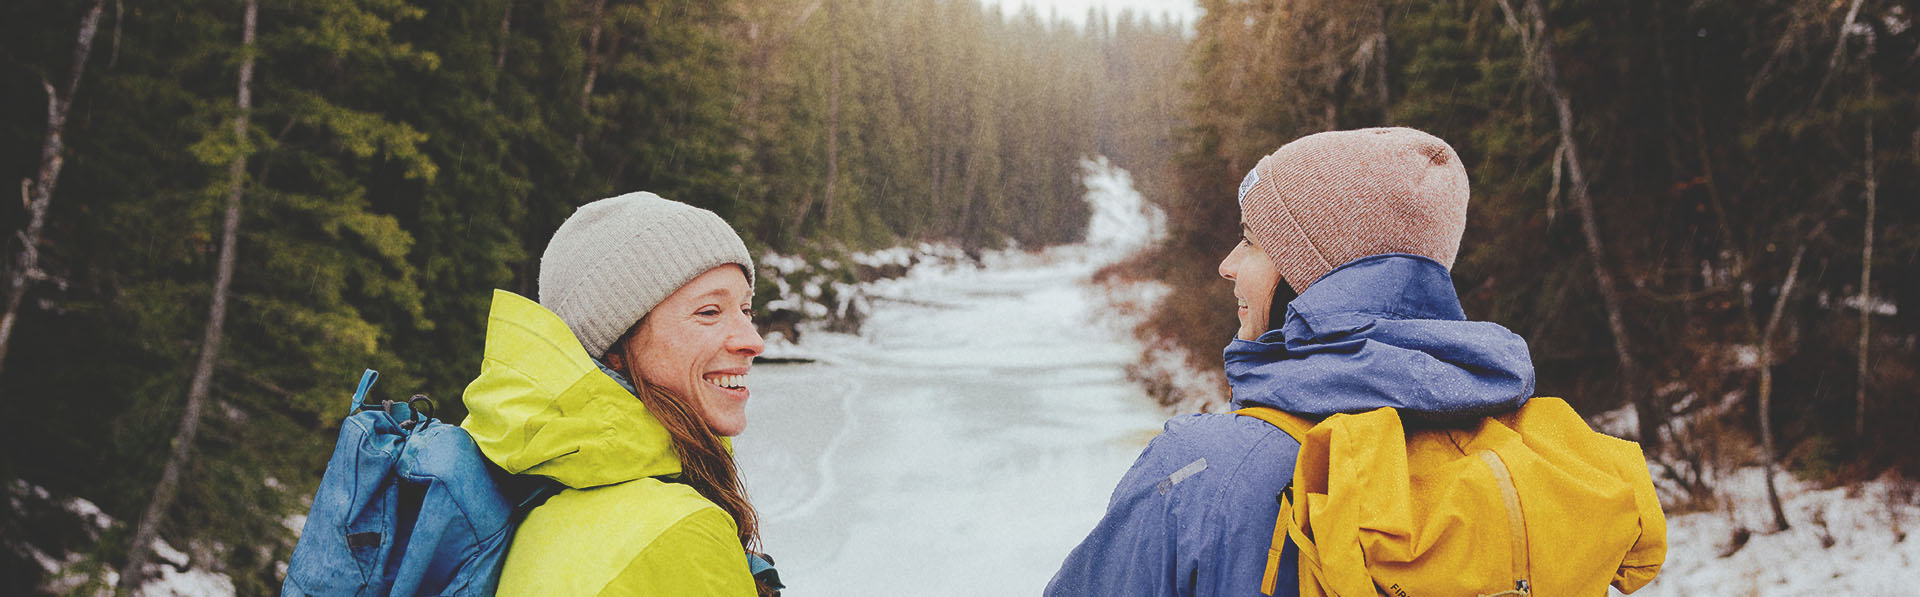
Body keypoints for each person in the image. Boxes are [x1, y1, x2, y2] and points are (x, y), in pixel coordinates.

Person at [1046, 128, 1539, 595]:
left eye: (1253, 242)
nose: (1228, 265)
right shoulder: (1520, 463)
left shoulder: (1199, 472)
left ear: (1312, 277)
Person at [460, 192, 778, 596]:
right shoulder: (678, 530)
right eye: (709, 312)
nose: (753, 341)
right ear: (614, 345)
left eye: (746, 311)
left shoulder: (540, 493)